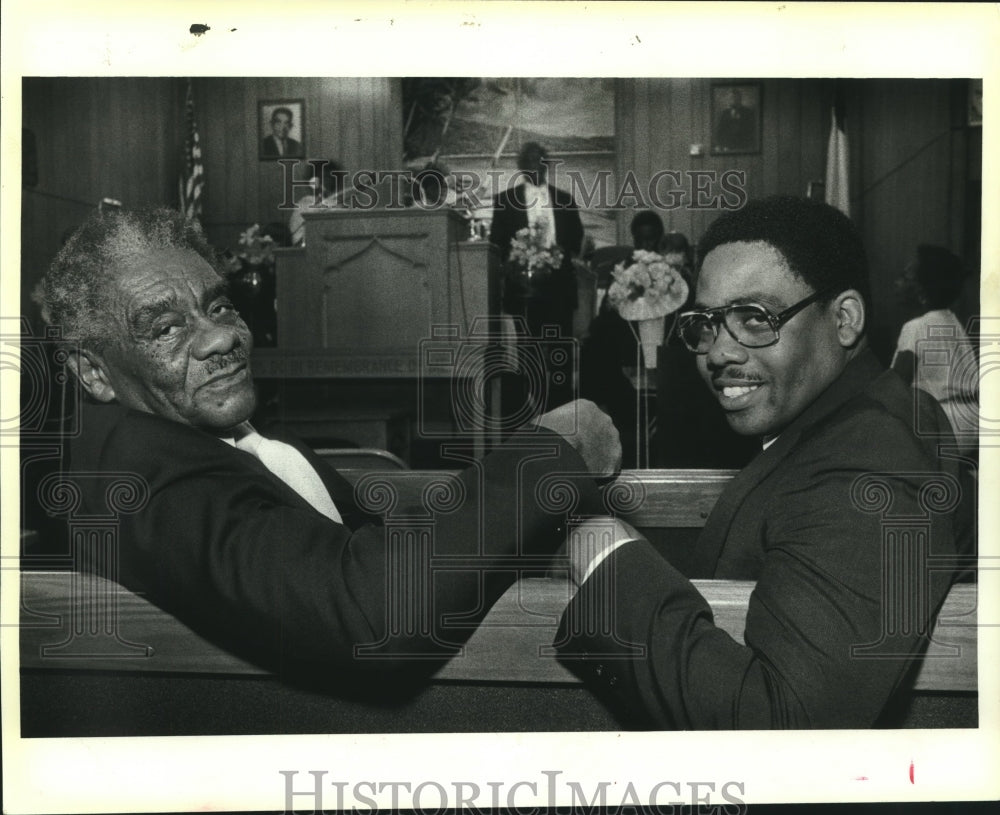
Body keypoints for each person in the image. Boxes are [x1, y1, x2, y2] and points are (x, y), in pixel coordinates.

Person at [41, 207, 621, 680]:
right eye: (166, 327)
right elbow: (370, 618)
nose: (220, 335)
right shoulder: (146, 482)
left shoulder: (196, 436)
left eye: (218, 306)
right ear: (92, 372)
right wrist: (550, 457)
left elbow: (349, 546)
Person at [555, 196, 972, 728]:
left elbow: (786, 727)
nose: (718, 354)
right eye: (708, 323)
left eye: (755, 318)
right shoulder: (855, 418)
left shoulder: (870, 462)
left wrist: (599, 550)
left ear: (844, 319)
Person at [891, 244, 978, 457]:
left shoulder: (916, 328)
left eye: (905, 277)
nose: (897, 283)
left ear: (921, 290)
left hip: (942, 425)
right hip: (971, 422)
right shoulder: (952, 321)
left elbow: (895, 385)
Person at [288, 159, 347, 245]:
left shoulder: (336, 204)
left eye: (328, 178)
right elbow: (298, 241)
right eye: (320, 178)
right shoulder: (305, 204)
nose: (325, 182)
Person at [713, 88, 757, 153]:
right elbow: (720, 131)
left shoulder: (748, 112)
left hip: (743, 148)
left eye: (735, 98)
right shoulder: (725, 113)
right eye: (731, 98)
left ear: (740, 99)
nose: (733, 100)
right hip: (727, 148)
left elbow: (751, 131)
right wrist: (719, 145)